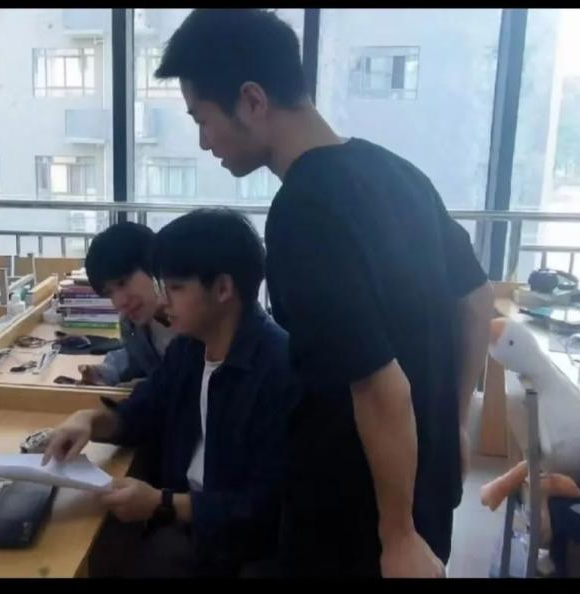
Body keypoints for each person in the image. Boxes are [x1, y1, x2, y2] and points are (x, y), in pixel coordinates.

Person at [155, 9, 495, 578]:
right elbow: (476, 298)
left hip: (360, 509)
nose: (204, 141)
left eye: (203, 119)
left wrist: (397, 533)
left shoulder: (303, 213)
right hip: (425, 476)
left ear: (252, 100)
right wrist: (455, 423)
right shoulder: (398, 172)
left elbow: (377, 383)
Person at [42, 208, 294, 577]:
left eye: (175, 288)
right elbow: (141, 413)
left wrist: (162, 504)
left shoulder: (280, 369)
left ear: (223, 289)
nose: (164, 300)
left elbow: (264, 509)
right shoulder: (189, 350)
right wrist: (89, 420)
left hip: (240, 550)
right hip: (189, 523)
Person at [80, 222, 175, 387]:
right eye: (109, 293)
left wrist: (152, 389)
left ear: (154, 266)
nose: (119, 303)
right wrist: (106, 372)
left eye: (122, 283)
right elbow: (135, 357)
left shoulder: (192, 320)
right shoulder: (131, 323)